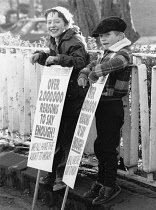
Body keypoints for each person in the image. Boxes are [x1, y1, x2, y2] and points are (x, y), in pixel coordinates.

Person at [30, 6, 89, 191]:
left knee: (67, 139)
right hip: (60, 97)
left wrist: (58, 59)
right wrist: (41, 56)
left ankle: (62, 177)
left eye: (57, 21)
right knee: (54, 136)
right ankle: (52, 173)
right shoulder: (57, 40)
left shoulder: (74, 40)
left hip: (73, 97)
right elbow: (54, 58)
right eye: (49, 22)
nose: (52, 25)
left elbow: (80, 61)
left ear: (65, 23)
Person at [78, 16, 133, 205]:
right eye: (101, 36)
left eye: (108, 35)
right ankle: (101, 181)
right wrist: (85, 73)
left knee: (109, 147)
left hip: (113, 106)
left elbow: (118, 63)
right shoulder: (106, 53)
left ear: (120, 35)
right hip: (101, 104)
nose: (103, 39)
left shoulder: (123, 52)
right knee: (101, 145)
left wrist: (96, 72)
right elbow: (91, 65)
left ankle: (111, 184)